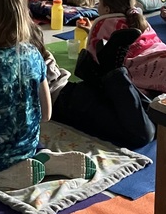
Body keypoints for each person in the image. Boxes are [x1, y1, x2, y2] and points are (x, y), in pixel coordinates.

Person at [0, 0, 94, 189]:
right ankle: (42, 156)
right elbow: (46, 114)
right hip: (27, 144)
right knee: (21, 131)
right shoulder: (35, 55)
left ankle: (1, 173)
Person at [34, 22, 155, 150]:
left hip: (65, 101)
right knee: (156, 118)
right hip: (70, 90)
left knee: (143, 134)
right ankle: (103, 76)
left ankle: (112, 71)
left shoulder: (19, 52)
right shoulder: (28, 32)